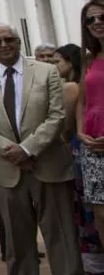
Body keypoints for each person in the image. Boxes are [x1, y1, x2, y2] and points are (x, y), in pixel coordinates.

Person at [0, 23, 82, 274]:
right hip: (7, 168)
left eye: (8, 39)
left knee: (61, 236)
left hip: (48, 163)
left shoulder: (46, 72)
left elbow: (56, 116)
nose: (3, 45)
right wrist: (12, 152)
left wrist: (28, 149)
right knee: (17, 241)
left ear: (19, 41)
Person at [49, 43, 103, 274]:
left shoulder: (70, 87)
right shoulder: (87, 72)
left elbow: (65, 125)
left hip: (82, 149)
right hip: (88, 144)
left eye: (56, 61)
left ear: (70, 62)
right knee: (95, 210)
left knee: (88, 209)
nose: (52, 66)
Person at [80, 0, 104, 255]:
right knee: (101, 215)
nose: (96, 23)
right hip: (93, 146)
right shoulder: (88, 59)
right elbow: (82, 101)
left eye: (101, 17)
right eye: (90, 20)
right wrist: (79, 131)